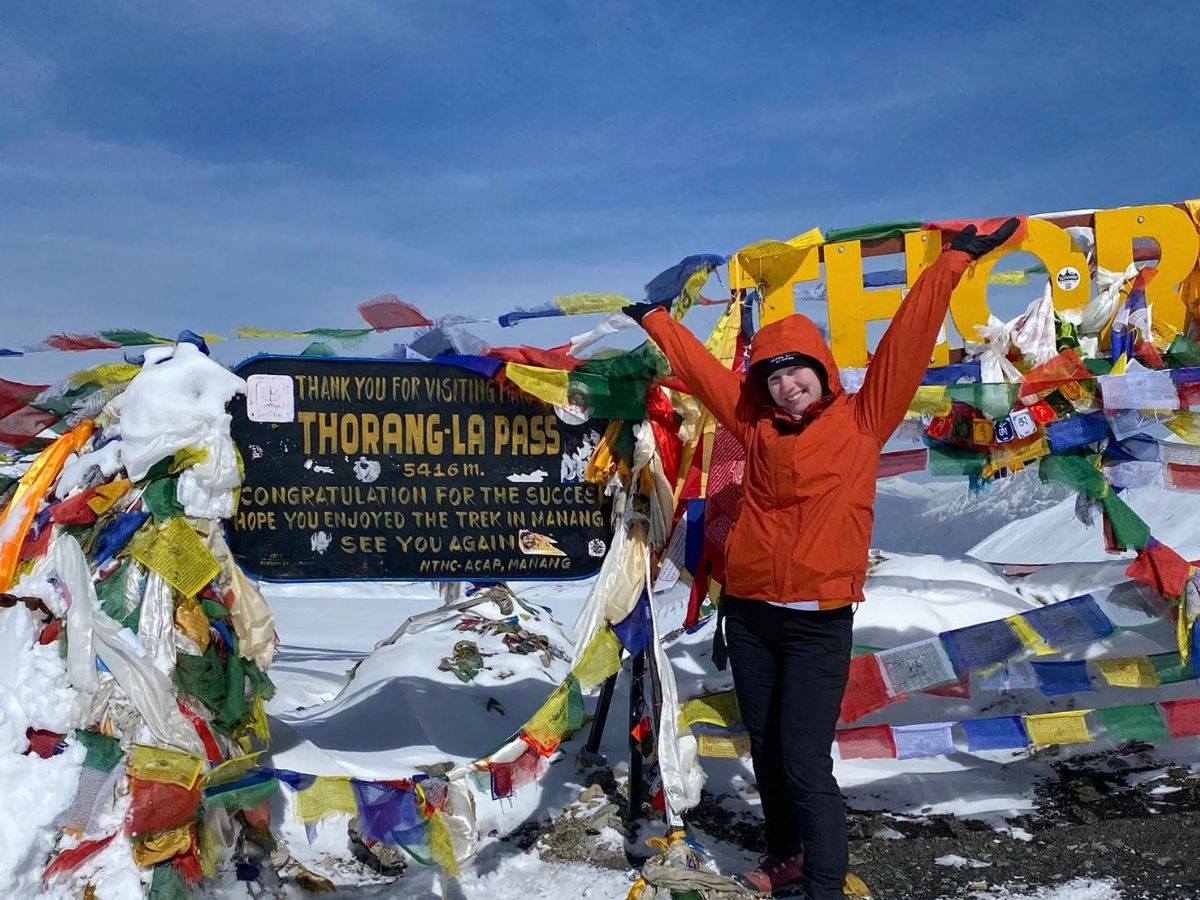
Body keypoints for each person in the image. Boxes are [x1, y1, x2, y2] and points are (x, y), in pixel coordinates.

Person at [623, 219, 1020, 899]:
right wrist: (658, 321)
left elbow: (906, 338)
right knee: (770, 752)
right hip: (750, 616)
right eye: (772, 377)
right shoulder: (753, 427)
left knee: (806, 761)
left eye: (796, 370)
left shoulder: (865, 420)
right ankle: (786, 859)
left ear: (821, 370)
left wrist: (953, 260)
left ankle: (825, 885)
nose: (785, 386)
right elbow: (702, 372)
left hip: (817, 624)